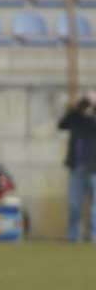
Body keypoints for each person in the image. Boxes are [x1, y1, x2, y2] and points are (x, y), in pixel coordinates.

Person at [58, 90, 96, 242]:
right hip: (77, 167)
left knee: (95, 207)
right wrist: (77, 108)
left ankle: (94, 235)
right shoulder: (77, 118)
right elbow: (62, 124)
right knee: (74, 205)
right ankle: (74, 236)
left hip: (94, 169)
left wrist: (93, 110)